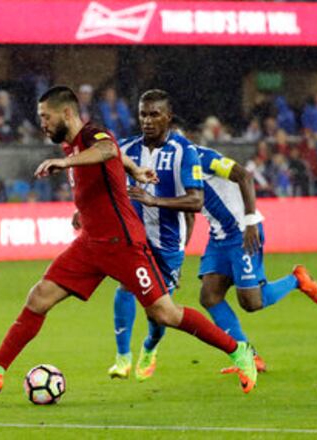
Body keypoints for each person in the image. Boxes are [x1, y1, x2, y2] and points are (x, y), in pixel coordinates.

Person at [0, 86, 258, 395]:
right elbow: (118, 155)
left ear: (67, 113)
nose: (41, 123)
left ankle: (238, 350)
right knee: (38, 298)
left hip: (123, 244)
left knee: (164, 313)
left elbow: (108, 150)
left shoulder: (92, 136)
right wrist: (134, 169)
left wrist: (66, 164)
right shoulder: (72, 145)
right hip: (90, 244)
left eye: (46, 117)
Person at [195, 145, 317, 372]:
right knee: (210, 296)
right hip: (218, 236)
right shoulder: (170, 166)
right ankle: (248, 357)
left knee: (252, 302)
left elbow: (244, 175)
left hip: (241, 232)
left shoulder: (202, 157)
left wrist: (251, 220)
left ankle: (297, 279)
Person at [108, 89, 205, 381]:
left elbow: (196, 202)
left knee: (158, 313)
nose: (147, 121)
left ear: (168, 117)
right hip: (135, 240)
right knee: (125, 287)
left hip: (168, 246)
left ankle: (150, 347)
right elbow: (104, 181)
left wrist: (154, 201)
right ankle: (122, 358)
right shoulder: (126, 149)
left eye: (154, 114)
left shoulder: (185, 152)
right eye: (142, 114)